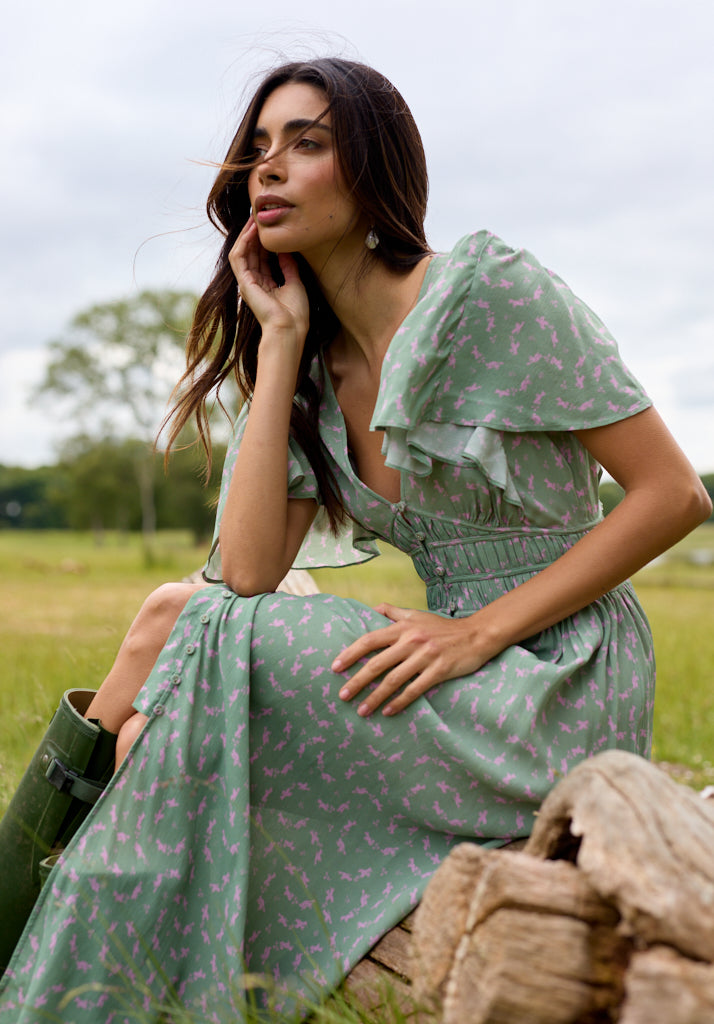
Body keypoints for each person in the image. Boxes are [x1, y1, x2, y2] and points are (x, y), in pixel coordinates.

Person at [0, 56, 710, 1022]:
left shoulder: (489, 294)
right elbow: (248, 574)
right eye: (258, 151)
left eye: (308, 143)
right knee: (149, 723)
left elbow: (672, 495)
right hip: (447, 680)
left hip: (560, 679)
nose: (270, 170)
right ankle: (80, 967)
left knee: (177, 621)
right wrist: (282, 339)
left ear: (373, 168)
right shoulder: (310, 362)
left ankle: (25, 941)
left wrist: (479, 631)